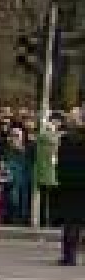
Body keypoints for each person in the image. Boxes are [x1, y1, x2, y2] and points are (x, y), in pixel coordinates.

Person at [53, 109, 85, 266]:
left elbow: (60, 162)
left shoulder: (65, 139)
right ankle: (70, 254)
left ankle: (68, 255)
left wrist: (60, 179)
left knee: (70, 221)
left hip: (68, 184)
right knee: (77, 221)